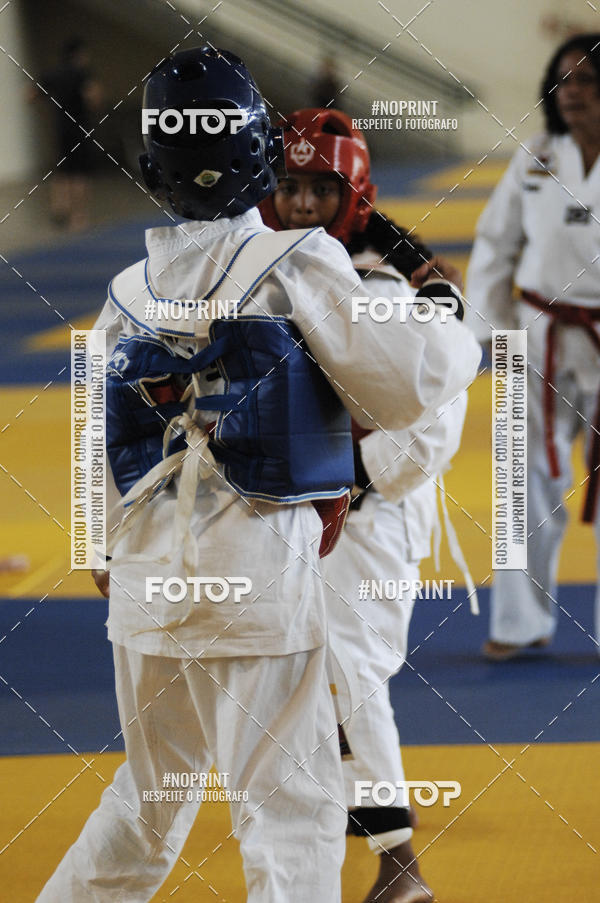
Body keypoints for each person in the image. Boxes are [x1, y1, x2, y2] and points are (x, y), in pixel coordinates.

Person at [37, 49, 481, 903]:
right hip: (257, 585)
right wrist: (440, 308)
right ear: (262, 161)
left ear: (146, 165)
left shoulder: (125, 288)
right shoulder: (297, 264)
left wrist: (98, 540)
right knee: (288, 815)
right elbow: (411, 383)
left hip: (143, 587)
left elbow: (98, 427)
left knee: (147, 801)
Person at [261, 108, 476, 903]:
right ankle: (350, 800)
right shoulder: (276, 271)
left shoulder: (385, 289)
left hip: (373, 509)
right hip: (300, 504)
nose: (303, 204)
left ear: (353, 195)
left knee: (351, 669)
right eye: (288, 186)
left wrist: (341, 475)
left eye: (321, 188)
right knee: (307, 663)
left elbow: (429, 436)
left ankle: (400, 861)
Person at [466, 33, 600, 661]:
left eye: (588, 79)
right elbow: (494, 245)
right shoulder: (537, 155)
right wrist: (487, 333)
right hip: (536, 335)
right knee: (519, 483)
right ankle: (519, 622)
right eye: (564, 79)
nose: (573, 91)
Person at [36, 38, 103, 231]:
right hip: (79, 127)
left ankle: (59, 209)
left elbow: (30, 95)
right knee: (80, 173)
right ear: (80, 54)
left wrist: (49, 108)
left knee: (62, 171)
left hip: (60, 128)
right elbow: (94, 98)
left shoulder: (53, 73)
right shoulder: (82, 74)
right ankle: (79, 216)